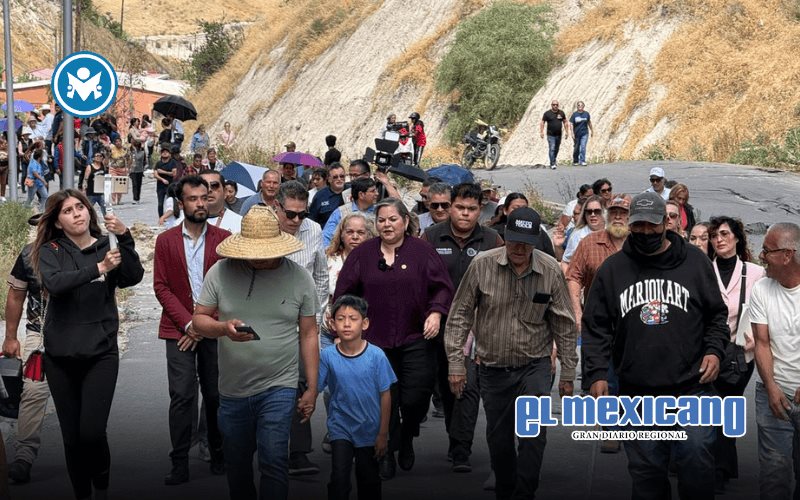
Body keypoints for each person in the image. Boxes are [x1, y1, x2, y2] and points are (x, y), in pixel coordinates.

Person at [582, 192, 729, 500]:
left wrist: (715, 351)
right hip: (638, 393)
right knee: (647, 475)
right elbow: (595, 327)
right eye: (639, 226)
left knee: (697, 463)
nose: (645, 232)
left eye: (652, 225)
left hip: (692, 388)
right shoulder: (613, 269)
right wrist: (596, 373)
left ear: (666, 222)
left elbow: (717, 315)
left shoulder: (695, 262)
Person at [445, 206, 577, 499]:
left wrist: (568, 371)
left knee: (533, 435)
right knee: (499, 440)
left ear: (534, 242)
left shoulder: (550, 269)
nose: (519, 248)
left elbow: (565, 323)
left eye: (526, 242)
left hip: (535, 366)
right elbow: (459, 315)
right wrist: (456, 364)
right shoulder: (482, 265)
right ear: (505, 237)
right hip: (492, 367)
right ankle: (506, 489)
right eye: (514, 240)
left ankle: (525, 492)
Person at [192, 205, 319, 500]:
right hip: (233, 390)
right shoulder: (219, 273)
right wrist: (223, 328)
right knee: (237, 465)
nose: (260, 259)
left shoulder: (300, 278)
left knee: (274, 460)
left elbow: (310, 333)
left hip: (280, 385)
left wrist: (312, 388)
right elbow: (199, 320)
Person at [33, 189, 144, 500]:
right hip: (60, 355)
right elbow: (54, 283)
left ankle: (102, 488)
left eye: (80, 207)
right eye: (67, 211)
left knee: (92, 433)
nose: (77, 214)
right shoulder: (50, 250)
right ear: (57, 221)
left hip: (101, 352)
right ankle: (81, 494)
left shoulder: (104, 247)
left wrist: (125, 238)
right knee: (72, 438)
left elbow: (132, 276)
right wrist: (98, 269)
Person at [334, 198, 454, 480]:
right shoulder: (363, 254)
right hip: (374, 342)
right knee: (382, 400)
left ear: (405, 221)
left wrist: (436, 313)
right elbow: (344, 293)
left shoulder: (422, 251)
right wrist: (347, 321)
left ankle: (407, 435)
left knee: (415, 399)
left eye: (392, 219)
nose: (387, 225)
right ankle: (385, 449)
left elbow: (443, 288)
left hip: (416, 337)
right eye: (381, 220)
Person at [421, 183, 503, 473]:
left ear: (480, 210)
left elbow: (501, 283)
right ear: (451, 206)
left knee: (467, 384)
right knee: (445, 386)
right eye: (459, 208)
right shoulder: (430, 237)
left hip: (475, 326)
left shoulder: (492, 240)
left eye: (471, 209)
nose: (465, 214)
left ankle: (461, 450)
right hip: (437, 323)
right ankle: (453, 437)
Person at [153, 176, 228, 485]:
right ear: (180, 203)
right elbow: (161, 287)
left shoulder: (224, 238)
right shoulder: (166, 240)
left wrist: (203, 325)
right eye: (194, 199)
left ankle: (218, 451)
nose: (201, 203)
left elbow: (228, 287)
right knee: (182, 396)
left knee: (215, 395)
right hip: (178, 330)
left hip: (213, 327)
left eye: (204, 197)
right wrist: (188, 323)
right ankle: (180, 460)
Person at [275, 181, 330, 477]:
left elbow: (320, 277)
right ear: (277, 207)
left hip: (303, 325)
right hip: (269, 323)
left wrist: (316, 317)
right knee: (269, 387)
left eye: (301, 214)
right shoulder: (262, 229)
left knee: (302, 385)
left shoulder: (314, 230)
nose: (296, 221)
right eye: (290, 214)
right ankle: (267, 448)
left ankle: (298, 453)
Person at [707, 216, 765, 492]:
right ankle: (719, 469)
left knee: (728, 404)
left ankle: (723, 465)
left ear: (737, 238)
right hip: (710, 352)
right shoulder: (705, 270)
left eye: (725, 234)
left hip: (742, 352)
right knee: (714, 408)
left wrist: (759, 336)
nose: (719, 239)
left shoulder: (755, 273)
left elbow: (766, 306)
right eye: (714, 235)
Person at [320, 295, 396, 500]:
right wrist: (306, 400)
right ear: (332, 323)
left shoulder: (377, 355)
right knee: (339, 479)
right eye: (340, 318)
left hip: (369, 429)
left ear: (365, 323)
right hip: (340, 428)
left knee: (369, 480)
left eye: (353, 318)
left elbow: (385, 395)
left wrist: (383, 433)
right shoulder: (327, 356)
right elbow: (316, 387)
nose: (346, 324)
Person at [750, 222, 800, 500]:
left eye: (767, 251)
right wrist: (770, 386)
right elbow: (762, 342)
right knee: (774, 474)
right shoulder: (762, 289)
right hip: (773, 395)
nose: (761, 256)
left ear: (787, 255)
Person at [321, 213, 376, 452]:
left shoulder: (377, 260)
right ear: (341, 234)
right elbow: (320, 292)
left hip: (365, 334)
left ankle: (361, 430)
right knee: (333, 385)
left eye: (360, 232)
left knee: (361, 385)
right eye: (349, 232)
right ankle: (337, 428)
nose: (354, 236)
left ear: (369, 235)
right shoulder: (327, 259)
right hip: (329, 330)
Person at [3, 214, 49, 484]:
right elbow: (15, 295)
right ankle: (24, 457)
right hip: (39, 334)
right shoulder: (29, 255)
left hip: (80, 336)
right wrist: (11, 337)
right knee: (33, 390)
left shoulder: (87, 251)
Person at [322, 177, 379, 247]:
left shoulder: (379, 212)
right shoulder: (341, 212)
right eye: (373, 191)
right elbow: (326, 237)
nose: (377, 194)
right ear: (361, 194)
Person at [561, 194, 605, 270]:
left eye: (597, 211)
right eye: (589, 211)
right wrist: (569, 281)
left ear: (604, 212)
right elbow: (565, 262)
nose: (593, 214)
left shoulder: (612, 233)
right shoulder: (577, 235)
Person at [309, 163, 346, 228]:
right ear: (329, 179)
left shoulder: (352, 190)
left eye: (342, 176)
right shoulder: (320, 196)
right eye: (335, 177)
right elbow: (312, 220)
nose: (339, 179)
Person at [539, 99, 569, 169]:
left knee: (556, 148)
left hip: (559, 134)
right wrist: (541, 132)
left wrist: (567, 132)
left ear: (558, 105)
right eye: (554, 105)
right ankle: (552, 163)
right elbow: (542, 122)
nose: (555, 106)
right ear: (551, 105)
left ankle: (553, 160)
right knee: (552, 148)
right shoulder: (547, 113)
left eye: (556, 105)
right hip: (550, 135)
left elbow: (565, 122)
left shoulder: (561, 113)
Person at [153, 144, 178, 218]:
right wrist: (162, 179)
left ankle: (170, 217)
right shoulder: (158, 163)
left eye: (166, 152)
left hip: (170, 186)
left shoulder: (172, 162)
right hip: (160, 186)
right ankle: (161, 218)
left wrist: (163, 172)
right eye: (163, 152)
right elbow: (155, 174)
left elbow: (174, 173)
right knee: (160, 204)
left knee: (170, 202)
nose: (164, 153)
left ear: (170, 154)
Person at [569, 101, 593, 166]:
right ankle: (575, 160)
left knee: (583, 147)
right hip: (576, 134)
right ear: (577, 107)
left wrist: (592, 130)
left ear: (583, 106)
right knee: (576, 147)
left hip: (584, 133)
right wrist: (572, 133)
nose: (580, 106)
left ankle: (582, 160)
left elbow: (589, 122)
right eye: (578, 105)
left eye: (581, 105)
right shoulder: (574, 114)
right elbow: (571, 124)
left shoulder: (586, 114)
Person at [129, 140, 146, 204]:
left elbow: (140, 159)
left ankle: (138, 198)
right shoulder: (131, 152)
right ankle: (135, 198)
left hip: (140, 170)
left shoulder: (142, 153)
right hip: (133, 170)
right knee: (134, 185)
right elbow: (130, 160)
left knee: (139, 184)